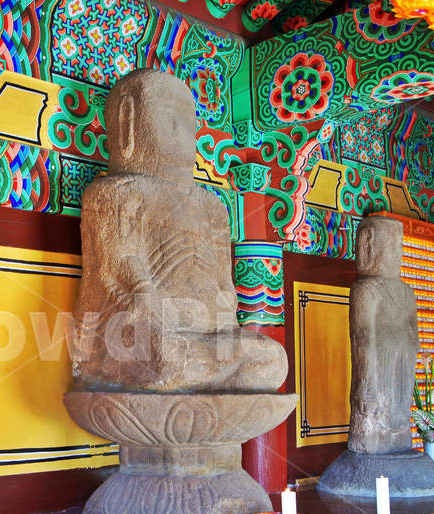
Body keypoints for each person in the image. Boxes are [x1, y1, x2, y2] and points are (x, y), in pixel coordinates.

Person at [72, 69, 287, 393]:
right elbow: (115, 269)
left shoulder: (212, 205)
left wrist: (221, 314)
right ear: (129, 120)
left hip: (206, 335)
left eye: (191, 122)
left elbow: (223, 282)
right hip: (140, 329)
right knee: (166, 359)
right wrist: (152, 307)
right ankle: (194, 368)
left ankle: (198, 367)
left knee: (273, 361)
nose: (185, 132)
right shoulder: (117, 192)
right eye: (171, 116)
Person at [347, 216, 420, 453]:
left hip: (402, 361)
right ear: (370, 247)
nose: (395, 252)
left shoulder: (407, 292)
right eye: (389, 246)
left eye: (398, 246)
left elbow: (413, 333)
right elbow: (362, 336)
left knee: (399, 412)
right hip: (378, 364)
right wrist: (365, 380)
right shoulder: (365, 289)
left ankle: (398, 440)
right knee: (375, 410)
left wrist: (407, 345)